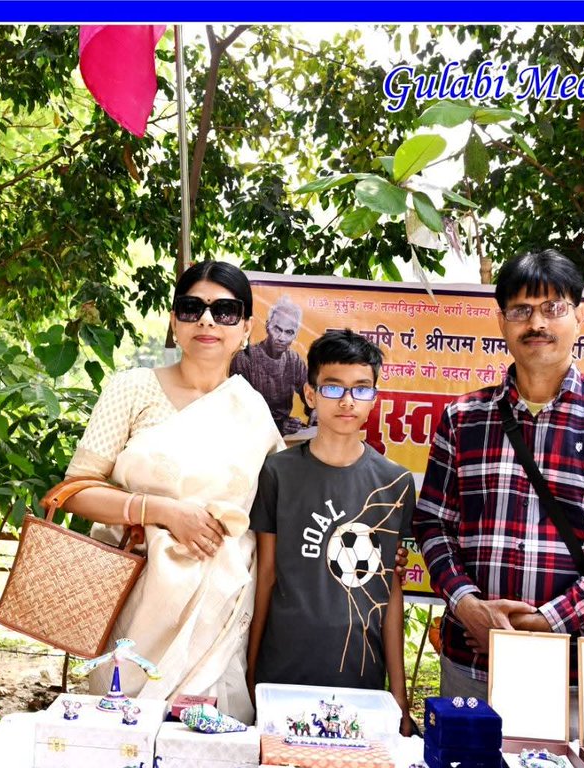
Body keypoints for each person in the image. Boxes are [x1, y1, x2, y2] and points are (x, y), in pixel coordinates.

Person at [413, 248, 584, 707]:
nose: (537, 324)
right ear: (502, 322)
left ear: (578, 317)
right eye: (522, 310)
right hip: (470, 664)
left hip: (572, 671)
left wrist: (551, 620)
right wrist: (467, 605)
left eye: (553, 308)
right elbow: (432, 524)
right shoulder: (463, 418)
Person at [63, 260, 283, 723]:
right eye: (192, 308)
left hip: (220, 610)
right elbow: (74, 490)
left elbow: (272, 515)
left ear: (245, 327)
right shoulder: (131, 388)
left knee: (205, 753)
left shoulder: (253, 410)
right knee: (121, 742)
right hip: (135, 601)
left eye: (225, 311)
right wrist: (162, 511)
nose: (207, 321)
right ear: (173, 321)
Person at [247, 330, 415, 736]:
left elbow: (391, 590)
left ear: (375, 396)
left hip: (359, 674)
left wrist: (400, 699)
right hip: (283, 668)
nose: (346, 401)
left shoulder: (395, 483)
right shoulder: (278, 473)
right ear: (309, 393)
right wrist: (251, 672)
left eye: (361, 389)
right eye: (333, 387)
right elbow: (265, 576)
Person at [231, 294, 310, 435]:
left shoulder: (294, 360)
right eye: (277, 329)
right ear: (267, 326)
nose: (281, 338)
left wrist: (316, 410)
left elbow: (309, 393)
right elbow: (238, 411)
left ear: (296, 335)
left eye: (289, 332)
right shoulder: (245, 358)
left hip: (284, 439)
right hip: (251, 436)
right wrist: (278, 425)